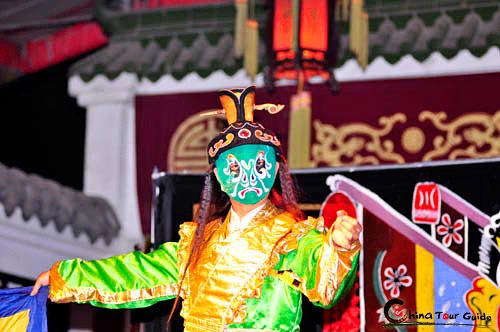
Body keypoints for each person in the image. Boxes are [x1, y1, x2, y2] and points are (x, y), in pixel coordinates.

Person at [32, 86, 362, 332]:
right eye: (234, 166)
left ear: (276, 169)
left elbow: (324, 284)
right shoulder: (196, 245)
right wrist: (64, 277)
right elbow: (135, 274)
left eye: (261, 164)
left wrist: (339, 247)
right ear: (218, 175)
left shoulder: (294, 236)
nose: (249, 175)